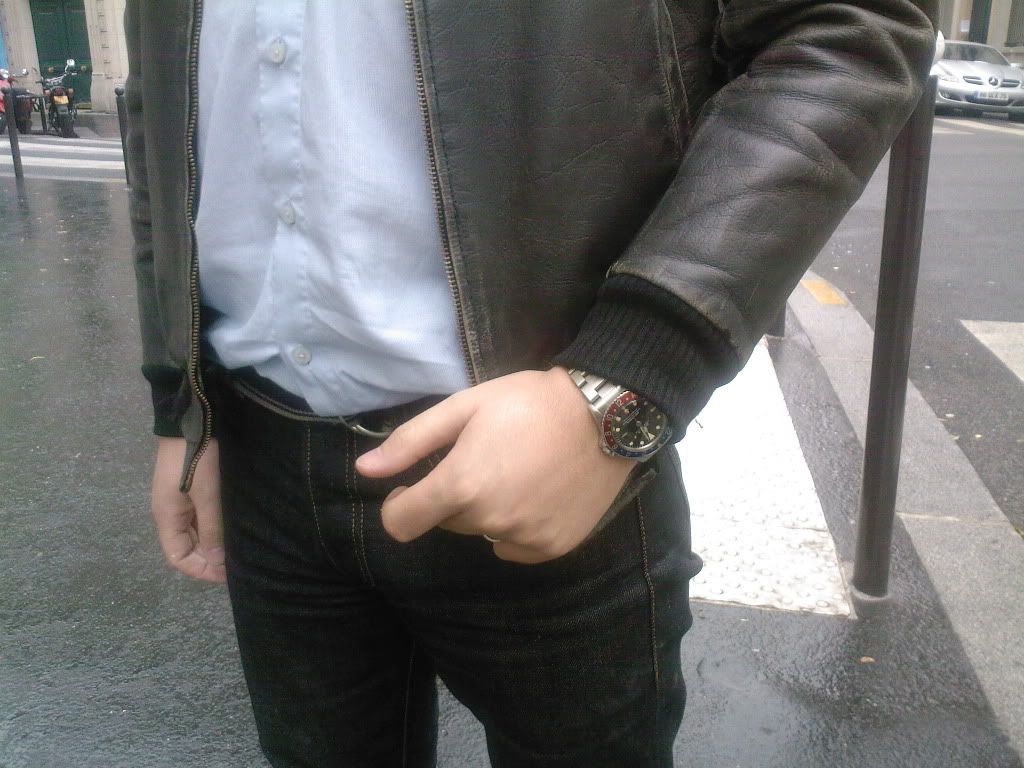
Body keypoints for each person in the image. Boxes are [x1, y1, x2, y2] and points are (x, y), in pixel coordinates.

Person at [124, 2, 934, 766]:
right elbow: (155, 107)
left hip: (552, 442)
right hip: (258, 444)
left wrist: (621, 381)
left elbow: (844, 24)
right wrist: (179, 403)